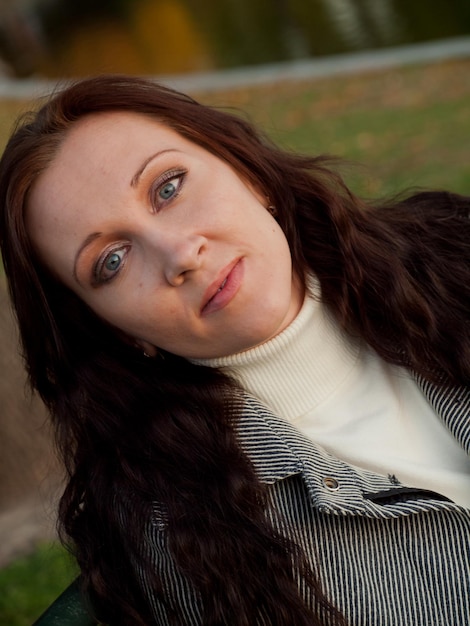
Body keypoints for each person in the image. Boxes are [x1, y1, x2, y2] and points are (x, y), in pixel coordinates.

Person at [0, 74, 469, 626]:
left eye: (168, 187)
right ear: (116, 329)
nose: (179, 255)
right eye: (112, 261)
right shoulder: (190, 544)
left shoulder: (454, 255)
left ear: (248, 172)